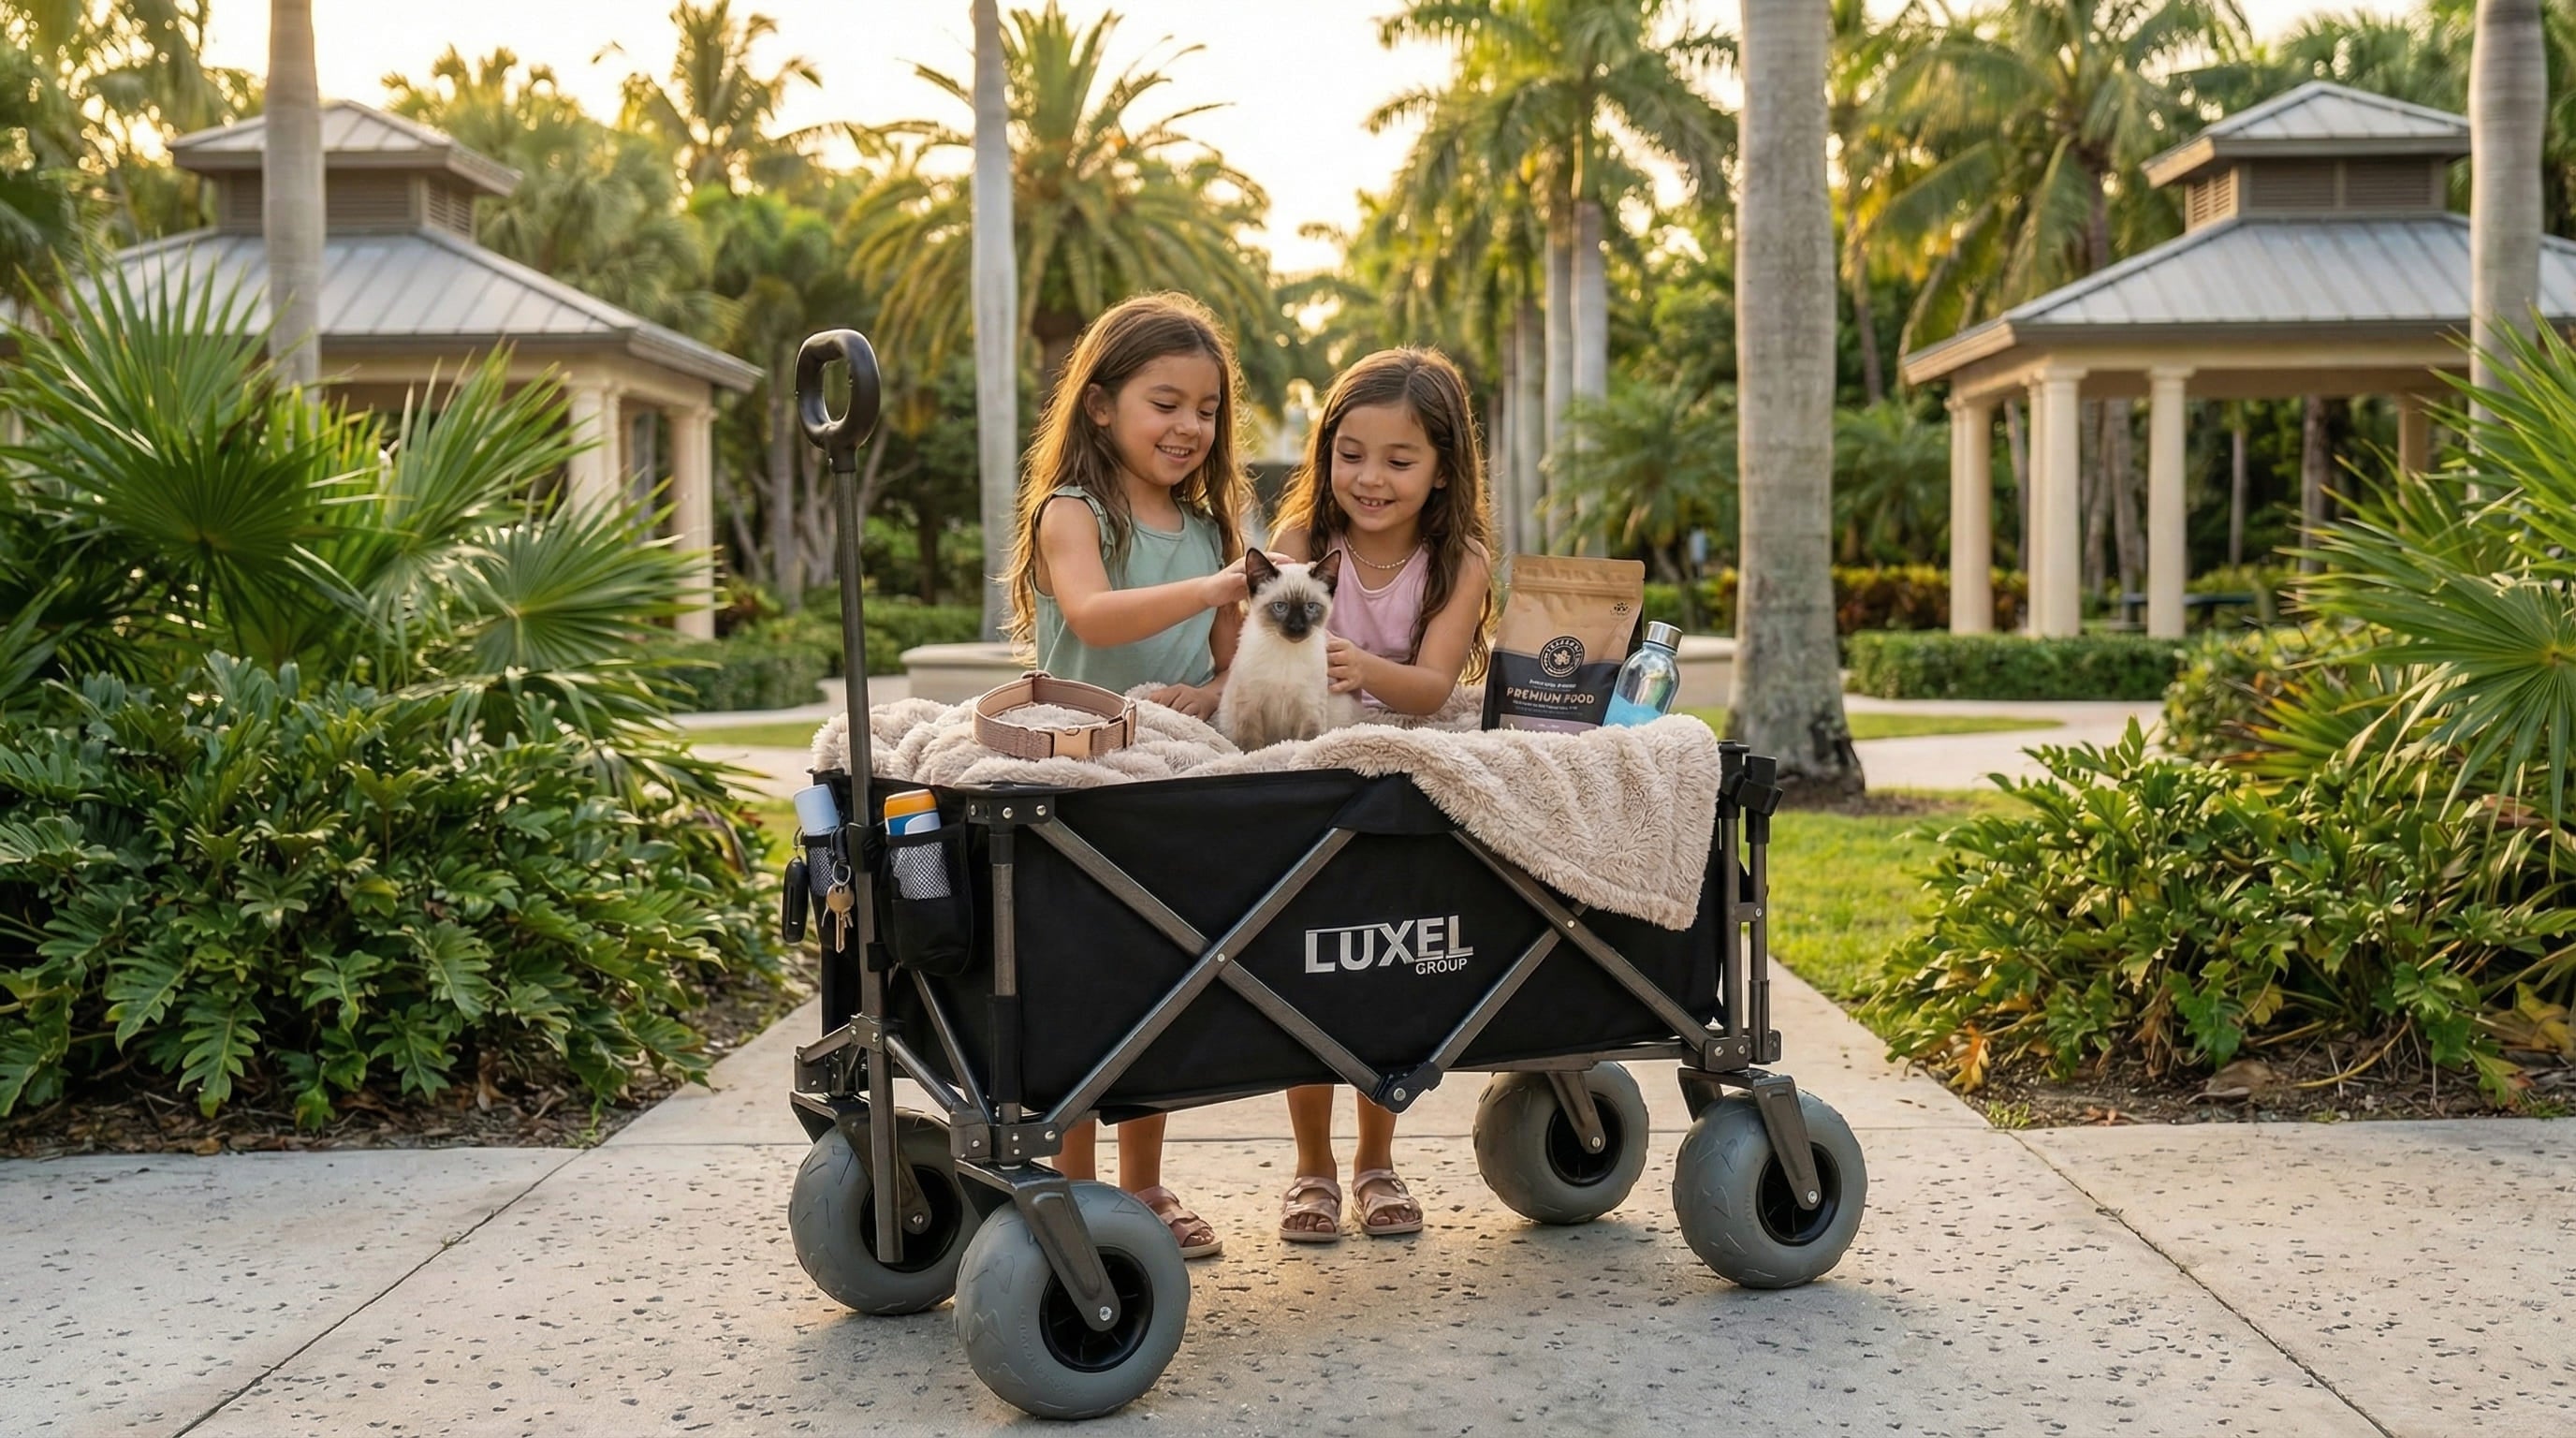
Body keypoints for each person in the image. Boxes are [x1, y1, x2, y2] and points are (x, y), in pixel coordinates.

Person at [1003, 290, 1264, 1259]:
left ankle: (1143, 1184)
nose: (1190, 426)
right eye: (1166, 403)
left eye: (1207, 409)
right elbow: (1095, 615)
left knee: (1163, 983)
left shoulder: (1210, 528)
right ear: (1102, 405)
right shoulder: (1072, 513)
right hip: (1079, 779)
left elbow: (1233, 661)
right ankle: (1075, 1189)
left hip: (1169, 782)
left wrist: (1215, 687)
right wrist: (1212, 587)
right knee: (1083, 984)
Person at [1263, 347, 1498, 1242]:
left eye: (1400, 460)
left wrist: (1361, 667)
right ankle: (1312, 1166)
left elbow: (1433, 686)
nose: (1370, 478)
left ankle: (1375, 1160)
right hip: (1310, 780)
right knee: (1304, 972)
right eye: (1350, 454)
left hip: (1397, 784)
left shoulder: (1458, 560)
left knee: (1384, 972)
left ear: (1442, 470)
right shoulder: (1297, 544)